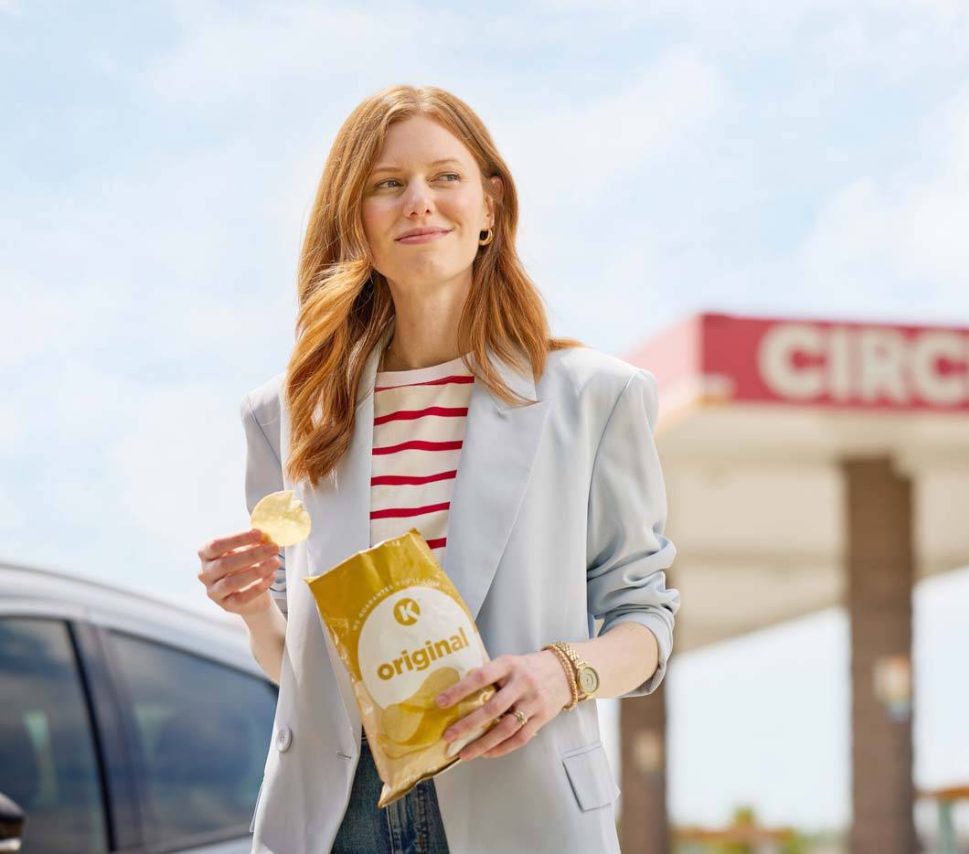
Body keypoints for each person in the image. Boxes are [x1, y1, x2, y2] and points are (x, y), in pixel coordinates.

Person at [194, 84, 681, 854]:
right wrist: (254, 608)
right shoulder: (286, 413)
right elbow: (300, 668)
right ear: (356, 221)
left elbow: (646, 622)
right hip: (336, 816)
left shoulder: (594, 396)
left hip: (523, 803)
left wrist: (560, 674)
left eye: (444, 177)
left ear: (490, 205)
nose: (419, 201)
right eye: (388, 185)